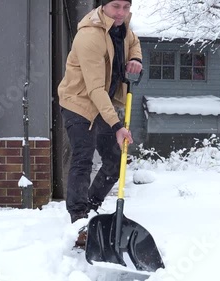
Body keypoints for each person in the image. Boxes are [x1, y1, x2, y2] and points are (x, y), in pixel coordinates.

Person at [57, 0, 142, 246]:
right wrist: (117, 126)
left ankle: (91, 208)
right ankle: (78, 220)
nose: (121, 13)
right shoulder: (89, 36)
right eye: (116, 6)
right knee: (83, 157)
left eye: (126, 7)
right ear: (103, 6)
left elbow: (134, 41)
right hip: (79, 102)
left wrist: (135, 58)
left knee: (115, 161)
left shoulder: (123, 26)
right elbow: (94, 88)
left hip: (103, 103)